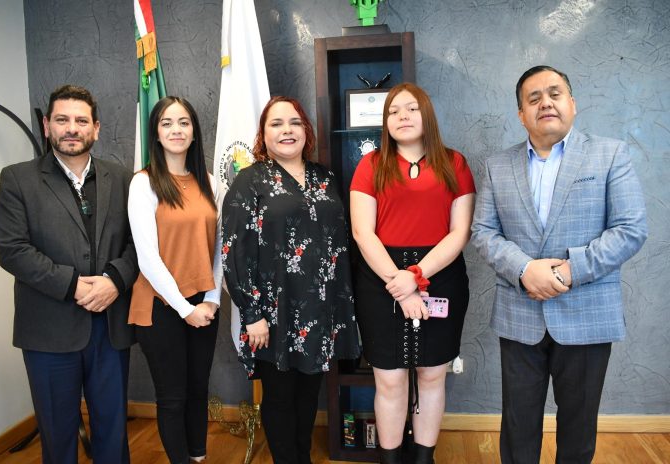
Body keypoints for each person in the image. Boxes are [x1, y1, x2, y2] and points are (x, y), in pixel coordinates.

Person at [471, 65, 648, 463]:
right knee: (517, 429)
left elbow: (630, 229)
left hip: (588, 313)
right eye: (533, 98)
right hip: (519, 314)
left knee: (578, 430)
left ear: (572, 103)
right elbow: (483, 232)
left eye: (555, 93)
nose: (545, 103)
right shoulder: (497, 165)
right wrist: (524, 270)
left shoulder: (610, 154)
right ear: (521, 114)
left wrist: (564, 272)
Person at [0, 85, 138, 463]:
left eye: (81, 120)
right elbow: (12, 249)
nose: (72, 128)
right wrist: (73, 286)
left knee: (113, 433)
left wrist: (115, 281)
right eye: (62, 119)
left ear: (96, 128)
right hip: (48, 331)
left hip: (110, 328)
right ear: (47, 126)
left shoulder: (123, 179)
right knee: (57, 438)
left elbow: (140, 244)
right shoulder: (17, 179)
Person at [221, 95, 360, 464]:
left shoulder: (325, 178)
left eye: (295, 122)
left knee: (308, 394)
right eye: (276, 123)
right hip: (272, 315)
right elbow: (234, 251)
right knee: (280, 397)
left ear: (306, 131)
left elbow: (340, 243)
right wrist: (252, 313)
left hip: (320, 311)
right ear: (263, 134)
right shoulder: (248, 181)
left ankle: (302, 458)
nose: (287, 130)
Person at [350, 82, 476, 464]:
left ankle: (423, 459)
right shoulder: (370, 164)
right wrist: (402, 284)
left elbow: (460, 232)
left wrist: (417, 275)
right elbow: (362, 232)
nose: (402, 116)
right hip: (380, 277)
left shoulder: (455, 163)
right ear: (385, 121)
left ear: (428, 115)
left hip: (441, 273)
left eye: (411, 109)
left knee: (432, 375)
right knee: (389, 379)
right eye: (393, 111)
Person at [127, 96, 222, 464]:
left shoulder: (210, 183)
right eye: (167, 123)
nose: (176, 130)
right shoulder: (144, 183)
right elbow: (147, 258)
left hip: (203, 302)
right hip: (161, 305)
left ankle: (198, 457)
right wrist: (185, 309)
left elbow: (219, 249)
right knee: (173, 397)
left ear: (194, 132)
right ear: (156, 133)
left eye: (184, 122)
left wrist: (211, 299)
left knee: (198, 389)